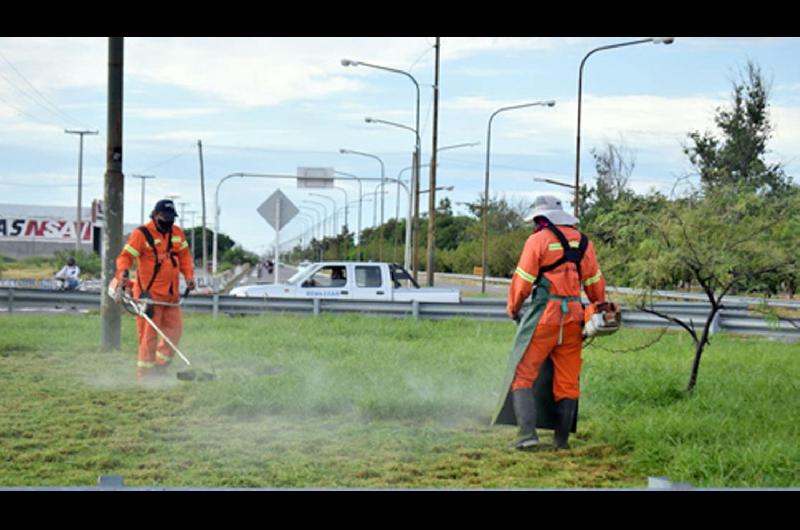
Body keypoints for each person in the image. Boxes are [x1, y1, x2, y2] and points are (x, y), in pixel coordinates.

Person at [491, 195, 606, 450]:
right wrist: (598, 308)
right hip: (575, 318)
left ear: (541, 218)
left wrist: (513, 309)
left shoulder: (538, 240)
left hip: (545, 316)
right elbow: (594, 284)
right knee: (567, 382)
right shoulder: (584, 243)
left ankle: (527, 436)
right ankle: (561, 442)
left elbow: (522, 282)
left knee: (523, 374)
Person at [111, 199, 195, 380]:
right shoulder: (142, 234)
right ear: (156, 215)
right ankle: (145, 376)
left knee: (175, 332)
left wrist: (189, 277)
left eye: (172, 217)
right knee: (148, 336)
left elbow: (185, 257)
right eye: (165, 216)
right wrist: (123, 273)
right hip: (148, 295)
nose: (169, 220)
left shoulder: (177, 233)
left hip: (171, 295)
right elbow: (125, 257)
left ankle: (160, 366)